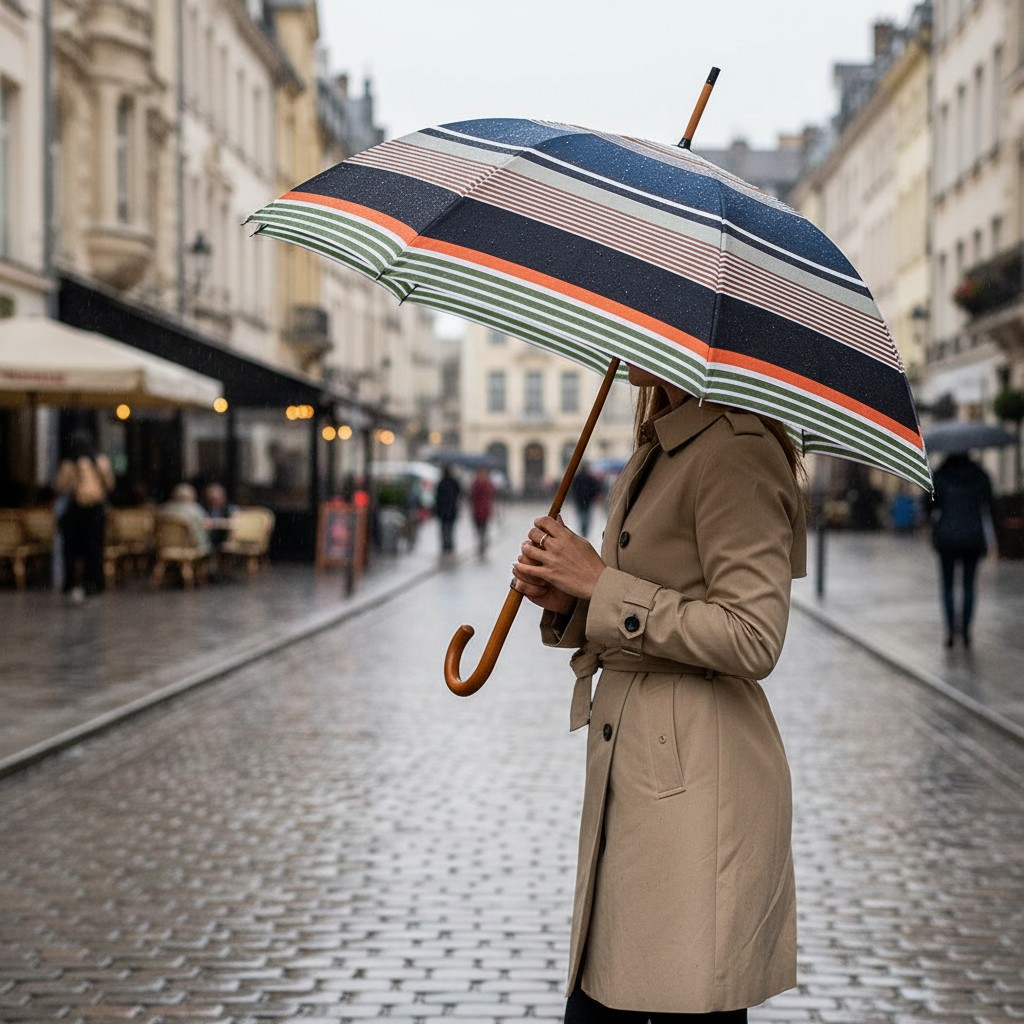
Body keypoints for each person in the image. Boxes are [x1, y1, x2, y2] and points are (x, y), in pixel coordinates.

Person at [511, 365, 807, 1022]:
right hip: (642, 768)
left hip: (698, 777)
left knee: (674, 1003)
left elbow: (754, 636)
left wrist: (600, 585)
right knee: (613, 996)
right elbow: (642, 599)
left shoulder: (737, 449)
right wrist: (572, 600)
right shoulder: (659, 445)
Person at [927, 451, 994, 648]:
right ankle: (965, 632)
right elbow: (989, 504)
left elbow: (930, 505)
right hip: (973, 537)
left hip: (947, 536)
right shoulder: (981, 475)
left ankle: (950, 631)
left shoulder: (939, 475)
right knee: (968, 585)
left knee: (948, 586)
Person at [53, 430, 115, 604]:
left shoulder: (99, 462)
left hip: (92, 509)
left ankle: (91, 581)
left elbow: (108, 484)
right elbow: (60, 486)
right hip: (79, 509)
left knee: (91, 548)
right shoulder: (72, 464)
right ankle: (78, 581)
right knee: (79, 548)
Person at [160, 483, 211, 555]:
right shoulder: (195, 510)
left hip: (164, 547)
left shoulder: (164, 509)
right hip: (188, 548)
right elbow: (202, 530)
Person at [570, 461, 604, 539]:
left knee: (581, 516)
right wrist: (593, 496)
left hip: (580, 501)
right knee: (585, 516)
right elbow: (595, 488)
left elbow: (574, 489)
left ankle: (583, 531)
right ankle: (584, 531)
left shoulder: (578, 477)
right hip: (586, 501)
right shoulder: (589, 477)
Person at [201, 482, 237, 553]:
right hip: (210, 537)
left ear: (223, 497)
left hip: (224, 536)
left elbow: (235, 521)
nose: (215, 502)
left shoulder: (229, 508)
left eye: (217, 499)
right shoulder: (205, 508)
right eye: (212, 499)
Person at [469, 467, 497, 555]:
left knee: (479, 527)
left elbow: (471, 495)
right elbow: (493, 492)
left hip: (478, 509)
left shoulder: (476, 483)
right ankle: (483, 540)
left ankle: (481, 540)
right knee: (483, 526)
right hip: (484, 509)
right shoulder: (488, 483)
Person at [435, 465, 461, 554]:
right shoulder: (454, 482)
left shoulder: (441, 483)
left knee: (444, 529)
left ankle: (445, 545)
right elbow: (459, 493)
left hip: (443, 511)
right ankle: (449, 545)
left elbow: (437, 498)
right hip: (451, 510)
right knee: (450, 529)